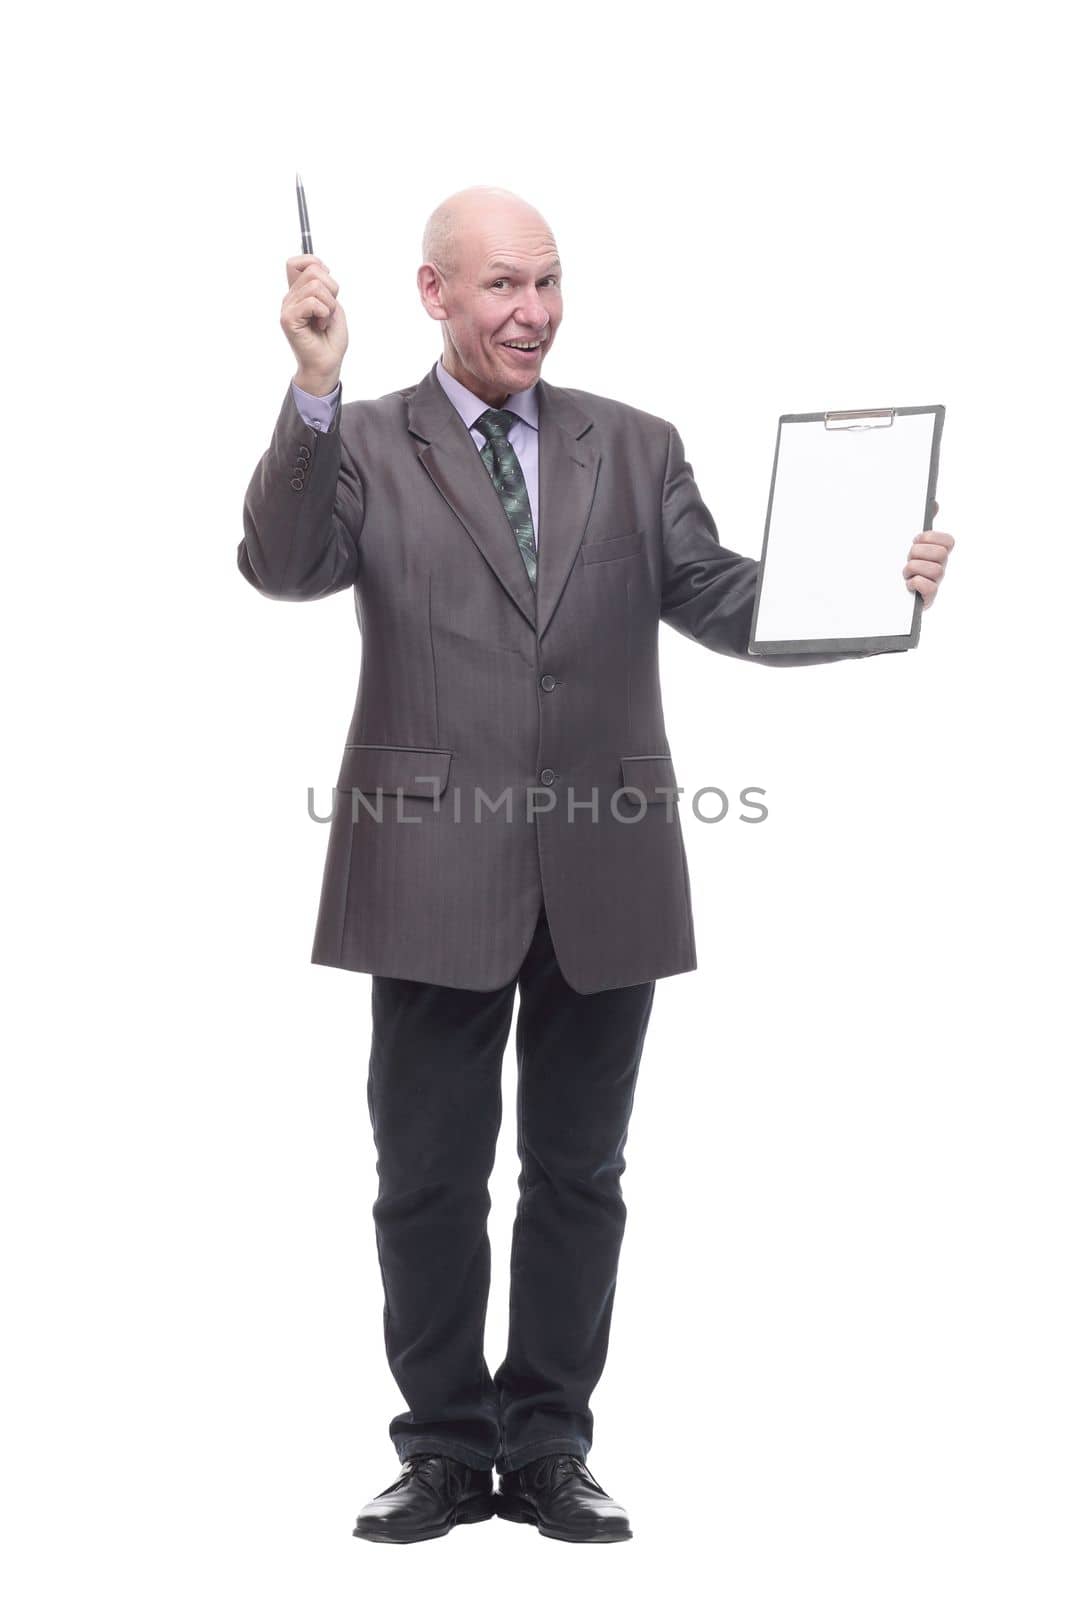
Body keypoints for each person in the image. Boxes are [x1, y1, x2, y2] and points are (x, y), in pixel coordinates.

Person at [238, 185, 954, 1545]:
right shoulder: (369, 445)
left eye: (550, 283)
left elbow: (726, 599)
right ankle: (446, 1451)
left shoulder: (634, 445)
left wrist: (876, 585)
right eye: (502, 287)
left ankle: (550, 1444)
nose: (534, 313)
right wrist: (314, 391)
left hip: (607, 865)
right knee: (430, 1177)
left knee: (581, 1173)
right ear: (432, 296)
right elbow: (282, 565)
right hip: (432, 865)